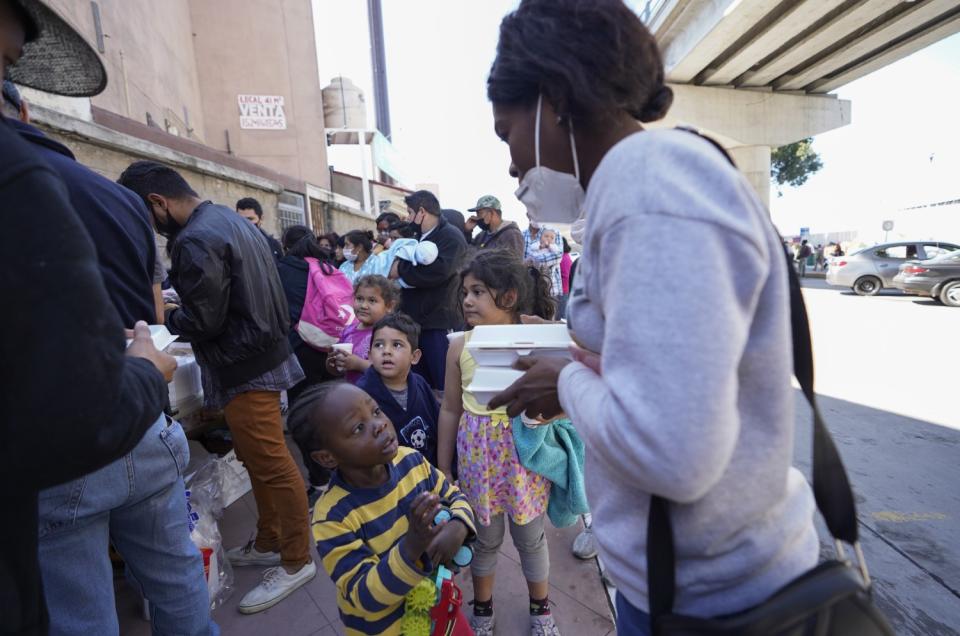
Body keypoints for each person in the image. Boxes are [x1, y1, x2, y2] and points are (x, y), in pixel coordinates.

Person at [485, 2, 819, 635]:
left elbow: (674, 452)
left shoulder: (647, 190)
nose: (509, 162)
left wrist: (564, 382)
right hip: (691, 587)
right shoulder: (647, 181)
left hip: (712, 601)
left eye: (507, 132)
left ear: (555, 95)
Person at [5, 81, 216, 635]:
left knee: (80, 611)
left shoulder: (19, 187)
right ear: (27, 109)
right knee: (177, 580)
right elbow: (152, 313)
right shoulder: (121, 201)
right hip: (142, 417)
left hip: (61, 439)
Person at [118, 161, 317, 615]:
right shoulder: (225, 217)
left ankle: (296, 559)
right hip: (257, 357)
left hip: (245, 365)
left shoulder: (195, 239)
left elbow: (205, 319)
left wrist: (167, 318)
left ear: (157, 203)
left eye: (143, 217)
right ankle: (270, 540)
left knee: (270, 462)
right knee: (255, 458)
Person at [287, 382, 476, 636]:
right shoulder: (332, 517)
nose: (379, 425)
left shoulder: (412, 461)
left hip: (438, 609)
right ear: (327, 457)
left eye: (375, 411)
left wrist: (458, 525)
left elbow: (454, 496)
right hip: (387, 629)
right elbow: (365, 596)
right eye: (358, 428)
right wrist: (412, 547)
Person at [437, 249, 559, 636]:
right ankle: (483, 612)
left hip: (524, 462)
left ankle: (542, 612)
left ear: (507, 297)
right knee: (485, 542)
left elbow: (560, 405)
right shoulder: (459, 346)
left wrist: (546, 415)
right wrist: (443, 468)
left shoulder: (536, 342)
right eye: (465, 292)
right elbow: (451, 410)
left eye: (478, 291)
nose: (467, 300)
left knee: (531, 539)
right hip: (477, 466)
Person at [276, 225, 338, 501]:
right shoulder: (326, 265)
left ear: (287, 244)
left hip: (300, 351)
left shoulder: (282, 268)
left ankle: (320, 481)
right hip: (333, 349)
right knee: (336, 413)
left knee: (304, 418)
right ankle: (345, 472)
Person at [394, 190, 468, 391]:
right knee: (420, 384)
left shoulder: (450, 236)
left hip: (439, 320)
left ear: (422, 212)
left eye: (410, 212)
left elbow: (437, 272)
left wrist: (400, 270)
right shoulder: (416, 236)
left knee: (444, 383)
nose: (408, 218)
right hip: (414, 322)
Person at [357, 313, 440, 466]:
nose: (386, 351)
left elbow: (438, 427)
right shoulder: (362, 394)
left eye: (396, 345)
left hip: (429, 470)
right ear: (369, 356)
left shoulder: (420, 384)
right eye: (379, 345)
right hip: (392, 478)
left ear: (414, 357)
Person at [327, 274, 400, 384]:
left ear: (389, 306)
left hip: (375, 396)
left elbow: (388, 368)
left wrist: (357, 364)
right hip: (352, 394)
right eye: (360, 299)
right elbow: (339, 371)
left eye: (372, 301)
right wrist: (333, 364)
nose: (364, 306)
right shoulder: (348, 330)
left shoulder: (388, 334)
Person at [523, 221, 563, 314]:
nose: (548, 238)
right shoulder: (523, 234)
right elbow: (521, 259)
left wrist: (532, 260)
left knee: (549, 315)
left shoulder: (554, 232)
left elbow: (557, 256)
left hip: (551, 287)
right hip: (529, 286)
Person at [558, 237, 574, 319]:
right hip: (564, 290)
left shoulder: (563, 258)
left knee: (561, 316)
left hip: (563, 291)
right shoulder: (565, 256)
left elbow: (566, 276)